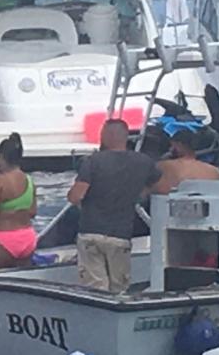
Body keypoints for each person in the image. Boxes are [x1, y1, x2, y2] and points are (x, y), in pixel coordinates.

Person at [67, 119, 161, 293]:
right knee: (120, 289)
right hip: (121, 235)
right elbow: (156, 184)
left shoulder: (93, 162)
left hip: (91, 232)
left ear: (106, 135)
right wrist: (139, 194)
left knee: (95, 290)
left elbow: (76, 196)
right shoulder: (143, 162)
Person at [0, 133, 37, 269]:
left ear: (2, 157)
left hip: (3, 239)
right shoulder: (29, 180)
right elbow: (33, 212)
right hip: (27, 237)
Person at [152, 128, 219, 195]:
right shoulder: (215, 171)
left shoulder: (163, 167)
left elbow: (156, 191)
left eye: (172, 146)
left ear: (179, 145)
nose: (170, 149)